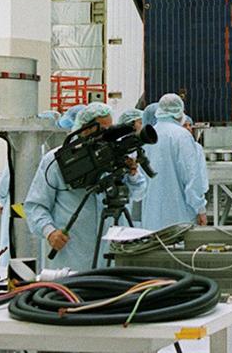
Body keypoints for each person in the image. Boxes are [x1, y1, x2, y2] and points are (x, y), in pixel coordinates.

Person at [24, 101, 147, 271]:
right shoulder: (58, 161)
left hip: (108, 255)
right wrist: (49, 232)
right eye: (103, 131)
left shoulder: (111, 158)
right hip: (71, 254)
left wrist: (133, 174)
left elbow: (137, 193)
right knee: (70, 295)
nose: (107, 136)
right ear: (85, 129)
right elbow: (34, 205)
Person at [141, 93, 208, 230]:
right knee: (177, 250)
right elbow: (191, 177)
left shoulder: (148, 135)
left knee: (155, 248)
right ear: (179, 111)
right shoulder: (181, 135)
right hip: (178, 214)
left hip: (151, 214)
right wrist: (200, 209)